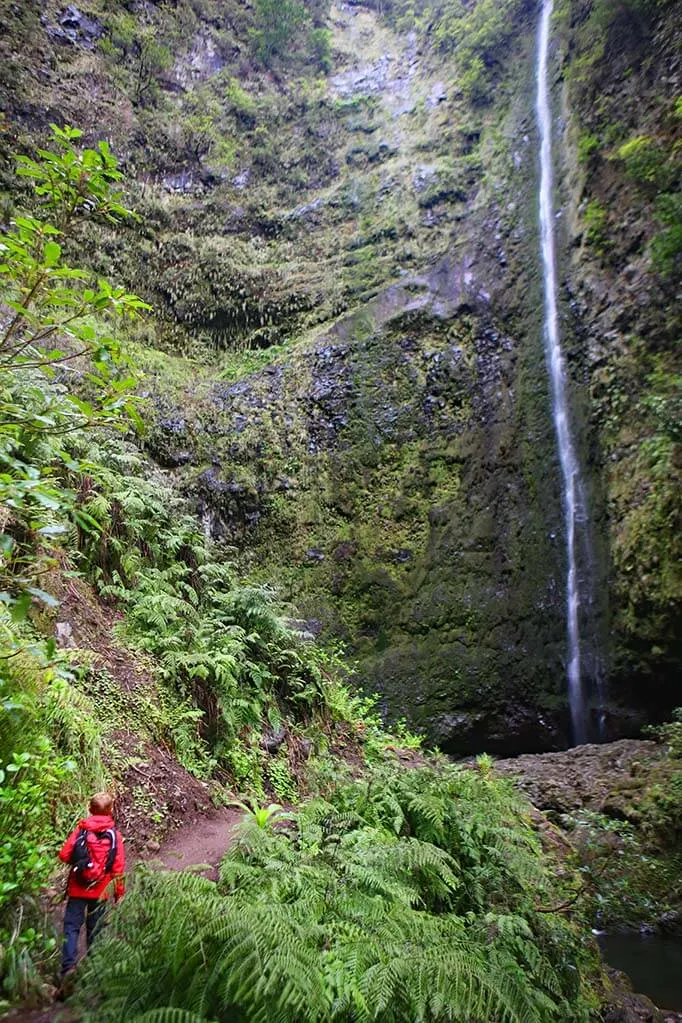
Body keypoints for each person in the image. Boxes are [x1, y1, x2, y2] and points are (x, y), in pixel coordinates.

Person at [58, 791, 126, 982]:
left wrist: (79, 861)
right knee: (95, 928)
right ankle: (93, 971)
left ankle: (68, 969)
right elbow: (118, 868)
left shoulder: (81, 831)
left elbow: (64, 855)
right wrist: (119, 893)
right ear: (111, 810)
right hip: (101, 891)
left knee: (71, 927)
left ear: (89, 809)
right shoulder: (115, 836)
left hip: (78, 888)